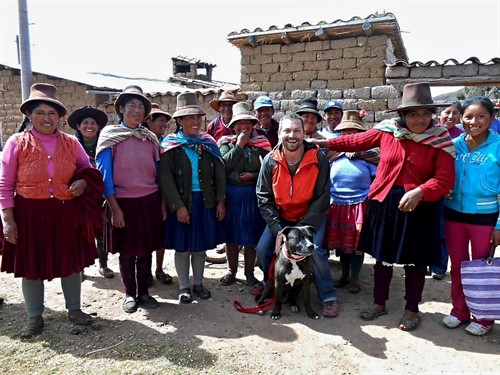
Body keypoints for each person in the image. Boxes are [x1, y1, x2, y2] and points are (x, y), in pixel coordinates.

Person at [311, 82, 455, 331]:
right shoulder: (388, 131)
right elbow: (356, 141)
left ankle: (411, 309)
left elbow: (444, 179)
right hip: (385, 202)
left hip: (419, 207)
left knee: (415, 261)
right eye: (413, 114)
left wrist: (420, 191)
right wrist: (324, 144)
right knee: (382, 258)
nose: (419, 120)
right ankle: (379, 303)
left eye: (425, 114)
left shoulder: (439, 139)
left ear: (432, 115)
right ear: (403, 115)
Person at [0, 83, 104, 338]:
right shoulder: (17, 142)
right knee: (31, 266)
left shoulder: (71, 143)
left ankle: (75, 309)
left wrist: (82, 182)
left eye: (52, 113)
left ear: (59, 117)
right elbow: (4, 184)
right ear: (29, 116)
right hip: (28, 215)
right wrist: (8, 221)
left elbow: (91, 171)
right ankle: (35, 316)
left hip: (64, 212)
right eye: (40, 113)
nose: (46, 118)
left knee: (70, 263)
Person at [255, 113, 339, 318]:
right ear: (279, 134)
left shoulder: (318, 158)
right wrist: (279, 232)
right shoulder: (270, 161)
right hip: (282, 219)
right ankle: (275, 285)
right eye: (287, 131)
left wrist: (302, 229)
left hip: (310, 218)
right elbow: (263, 197)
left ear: (304, 133)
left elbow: (322, 196)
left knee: (316, 251)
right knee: (264, 249)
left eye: (296, 131)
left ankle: (328, 296)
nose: (292, 135)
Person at [96, 85, 164, 313]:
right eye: (131, 106)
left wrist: (162, 202)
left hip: (149, 200)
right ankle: (129, 294)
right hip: (123, 202)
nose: (136, 110)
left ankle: (144, 292)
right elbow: (105, 177)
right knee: (127, 252)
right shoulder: (110, 137)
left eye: (140, 107)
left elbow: (159, 173)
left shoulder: (150, 138)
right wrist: (115, 208)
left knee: (146, 250)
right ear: (122, 109)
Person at [159, 92, 226, 304]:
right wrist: (177, 206)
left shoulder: (208, 143)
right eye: (189, 118)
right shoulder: (170, 146)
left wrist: (221, 201)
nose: (195, 122)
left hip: (204, 202)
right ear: (179, 121)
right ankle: (184, 286)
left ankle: (198, 283)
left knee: (199, 246)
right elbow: (166, 178)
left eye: (198, 117)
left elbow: (219, 173)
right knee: (183, 247)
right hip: (182, 203)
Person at [441, 96, 500, 336]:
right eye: (468, 116)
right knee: (458, 267)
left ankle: (484, 317)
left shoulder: (498, 146)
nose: (473, 122)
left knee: (481, 270)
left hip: (485, 218)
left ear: (492, 118)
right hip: (453, 215)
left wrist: (499, 224)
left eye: (481, 116)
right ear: (460, 118)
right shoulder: (454, 144)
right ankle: (460, 311)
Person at [217, 102, 271, 286]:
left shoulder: (261, 143)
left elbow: (270, 169)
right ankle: (231, 271)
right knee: (231, 236)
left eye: (247, 122)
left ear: (253, 124)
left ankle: (249, 274)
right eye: (239, 123)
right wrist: (239, 145)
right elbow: (222, 166)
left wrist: (253, 176)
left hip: (252, 196)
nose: (244, 126)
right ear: (232, 127)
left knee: (250, 237)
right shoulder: (226, 143)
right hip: (231, 195)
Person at [323, 111, 377, 294]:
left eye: (353, 132)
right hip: (337, 204)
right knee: (341, 244)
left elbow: (377, 180)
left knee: (356, 246)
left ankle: (355, 277)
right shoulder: (333, 156)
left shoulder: (369, 156)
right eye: (345, 132)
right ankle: (344, 275)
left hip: (359, 205)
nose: (348, 136)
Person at [67, 105, 114, 279]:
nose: (89, 126)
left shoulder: (105, 146)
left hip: (100, 195)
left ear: (99, 127)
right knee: (78, 231)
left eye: (93, 123)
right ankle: (80, 268)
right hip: (77, 196)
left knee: (101, 229)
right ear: (78, 126)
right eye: (85, 123)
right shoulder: (71, 146)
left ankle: (103, 264)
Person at [428, 102, 464, 280]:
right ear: (438, 114)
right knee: (425, 227)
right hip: (426, 187)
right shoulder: (428, 132)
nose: (450, 116)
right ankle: (424, 262)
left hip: (448, 190)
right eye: (447, 112)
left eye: (455, 113)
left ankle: (439, 266)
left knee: (441, 230)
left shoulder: (461, 137)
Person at [142, 103, 174, 285]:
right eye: (160, 120)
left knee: (160, 233)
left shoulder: (167, 143)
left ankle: (159, 269)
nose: (164, 124)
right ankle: (144, 272)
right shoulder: (143, 141)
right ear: (150, 122)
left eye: (165, 121)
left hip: (164, 193)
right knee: (146, 233)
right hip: (146, 193)